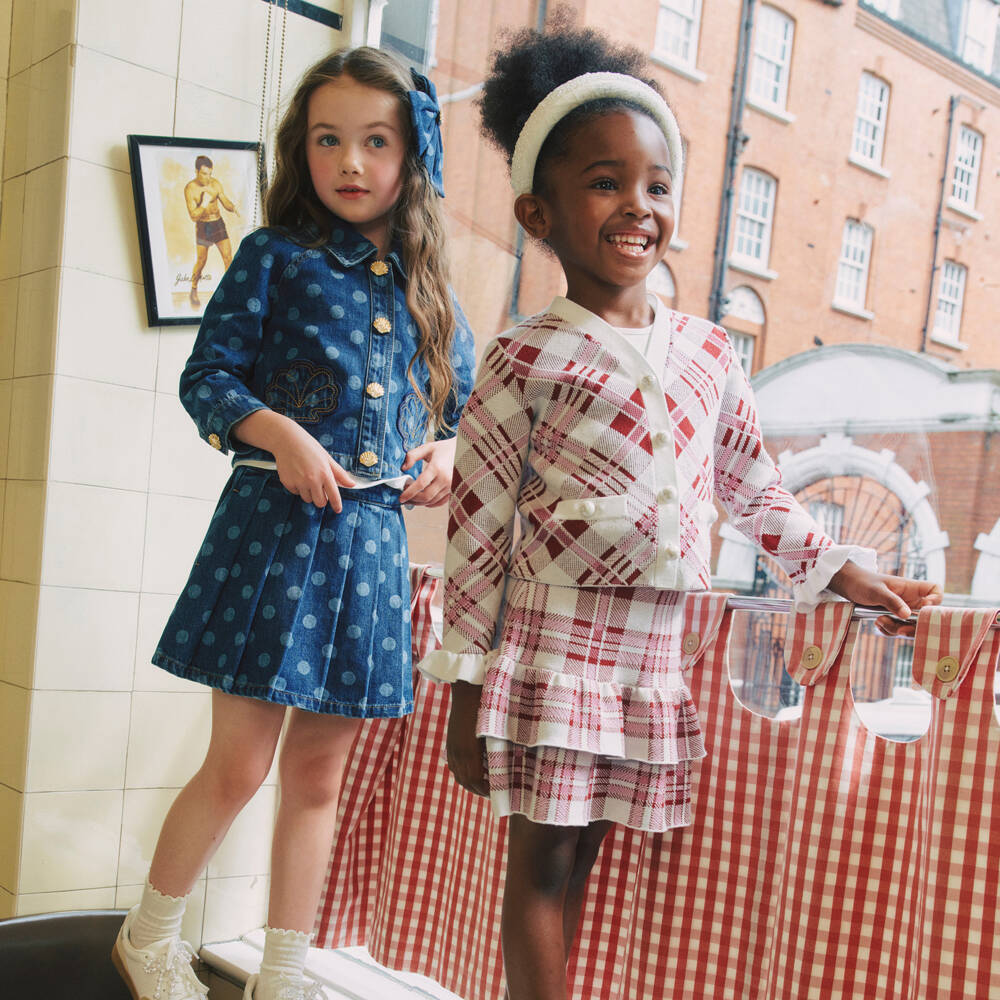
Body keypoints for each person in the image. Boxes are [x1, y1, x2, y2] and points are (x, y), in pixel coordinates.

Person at [418, 20, 942, 1000]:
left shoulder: (707, 353)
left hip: (646, 659)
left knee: (580, 862)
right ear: (539, 212)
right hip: (552, 649)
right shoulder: (524, 356)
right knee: (537, 862)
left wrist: (841, 570)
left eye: (656, 185)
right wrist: (460, 690)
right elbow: (479, 533)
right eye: (605, 181)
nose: (637, 206)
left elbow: (750, 487)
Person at [112, 47, 475, 1000]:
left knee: (318, 781)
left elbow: (464, 411)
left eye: (375, 142)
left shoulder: (429, 285)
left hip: (369, 554)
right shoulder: (273, 256)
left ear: (413, 156)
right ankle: (149, 938)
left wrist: (446, 452)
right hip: (272, 536)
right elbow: (209, 381)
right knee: (236, 766)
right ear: (300, 150)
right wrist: (281, 435)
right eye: (329, 140)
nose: (351, 162)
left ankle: (282, 973)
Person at [185, 155, 239, 305]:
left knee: (228, 257)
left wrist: (233, 207)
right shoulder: (190, 189)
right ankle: (194, 289)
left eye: (210, 174)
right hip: (203, 226)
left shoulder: (215, 184)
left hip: (217, 223)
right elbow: (193, 216)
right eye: (204, 174)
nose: (207, 178)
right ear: (196, 172)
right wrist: (203, 203)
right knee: (201, 260)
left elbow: (225, 200)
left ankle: (230, 291)